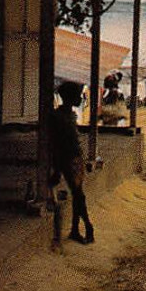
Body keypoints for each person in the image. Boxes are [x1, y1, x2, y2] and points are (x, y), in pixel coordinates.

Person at [47, 80, 94, 247]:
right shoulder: (59, 117)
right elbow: (56, 144)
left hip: (74, 158)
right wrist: (57, 168)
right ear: (70, 97)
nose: (81, 98)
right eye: (78, 96)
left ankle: (78, 228)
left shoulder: (68, 114)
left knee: (78, 194)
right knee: (78, 195)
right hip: (67, 159)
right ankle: (84, 226)